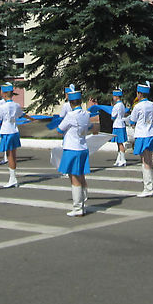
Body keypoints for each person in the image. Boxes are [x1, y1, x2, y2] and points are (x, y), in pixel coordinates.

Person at [57, 87, 91, 216]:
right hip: (83, 148)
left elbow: (60, 130)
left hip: (72, 148)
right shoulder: (86, 114)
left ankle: (78, 208)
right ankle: (82, 203)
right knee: (81, 175)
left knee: (74, 178)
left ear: (71, 103)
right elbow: (91, 126)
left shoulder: (71, 115)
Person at [129, 81, 153, 197]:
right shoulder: (151, 104)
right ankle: (149, 184)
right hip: (151, 133)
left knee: (145, 160)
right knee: (149, 159)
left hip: (142, 134)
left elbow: (132, 120)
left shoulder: (137, 106)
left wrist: (133, 123)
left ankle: (148, 188)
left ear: (139, 94)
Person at [0, 82, 24, 188]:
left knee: (9, 155)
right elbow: (21, 115)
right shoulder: (16, 105)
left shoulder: (2, 106)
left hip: (6, 131)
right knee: (14, 155)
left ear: (4, 94)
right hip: (15, 131)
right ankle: (13, 178)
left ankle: (12, 179)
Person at [110, 88, 128, 167]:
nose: (113, 97)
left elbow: (113, 116)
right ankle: (118, 159)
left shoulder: (116, 106)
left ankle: (123, 159)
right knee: (118, 143)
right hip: (121, 124)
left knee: (120, 143)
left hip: (117, 125)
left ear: (117, 97)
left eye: (114, 96)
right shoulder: (122, 105)